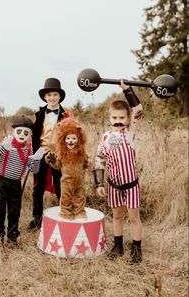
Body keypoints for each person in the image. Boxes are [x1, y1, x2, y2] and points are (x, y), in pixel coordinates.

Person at [93, 80, 143, 264]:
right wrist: (99, 183)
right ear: (110, 118)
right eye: (114, 118)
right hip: (113, 185)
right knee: (117, 216)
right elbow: (99, 160)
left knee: (133, 217)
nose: (118, 121)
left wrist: (127, 90)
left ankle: (136, 250)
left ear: (128, 118)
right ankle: (118, 246)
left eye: (122, 117)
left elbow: (138, 108)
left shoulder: (130, 132)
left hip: (131, 186)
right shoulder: (105, 137)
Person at [0, 115, 44, 246]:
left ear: (30, 134)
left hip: (16, 185)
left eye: (26, 132)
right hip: (1, 183)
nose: (22, 135)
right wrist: (3, 148)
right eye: (19, 132)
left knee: (14, 212)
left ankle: (12, 237)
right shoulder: (7, 144)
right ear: (13, 132)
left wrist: (36, 160)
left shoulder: (29, 150)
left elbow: (34, 170)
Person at [27, 78, 70, 230]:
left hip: (58, 155)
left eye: (55, 95)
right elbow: (33, 135)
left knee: (61, 184)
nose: (52, 98)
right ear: (45, 97)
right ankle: (37, 218)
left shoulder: (66, 115)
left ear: (59, 97)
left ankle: (64, 214)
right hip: (41, 152)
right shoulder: (38, 114)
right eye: (49, 95)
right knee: (38, 187)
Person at [45, 117, 92, 220]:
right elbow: (57, 166)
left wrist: (89, 163)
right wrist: (52, 161)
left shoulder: (81, 154)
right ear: (63, 140)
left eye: (74, 139)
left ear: (79, 139)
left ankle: (79, 212)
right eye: (68, 139)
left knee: (79, 197)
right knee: (66, 198)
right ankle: (66, 212)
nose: (71, 141)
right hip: (66, 182)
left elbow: (87, 164)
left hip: (80, 182)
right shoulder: (62, 154)